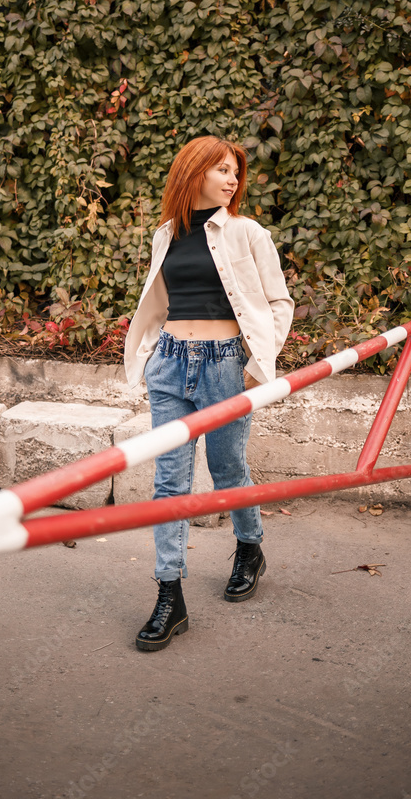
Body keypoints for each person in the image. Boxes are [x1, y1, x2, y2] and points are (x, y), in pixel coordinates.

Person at [123, 135, 294, 651]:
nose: (232, 179)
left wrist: (258, 368)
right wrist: (151, 359)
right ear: (193, 172)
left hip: (225, 367)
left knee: (227, 470)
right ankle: (169, 594)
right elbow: (157, 305)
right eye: (222, 169)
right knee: (170, 482)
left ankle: (249, 546)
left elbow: (279, 302)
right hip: (171, 366)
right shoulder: (165, 236)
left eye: (235, 172)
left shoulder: (247, 233)